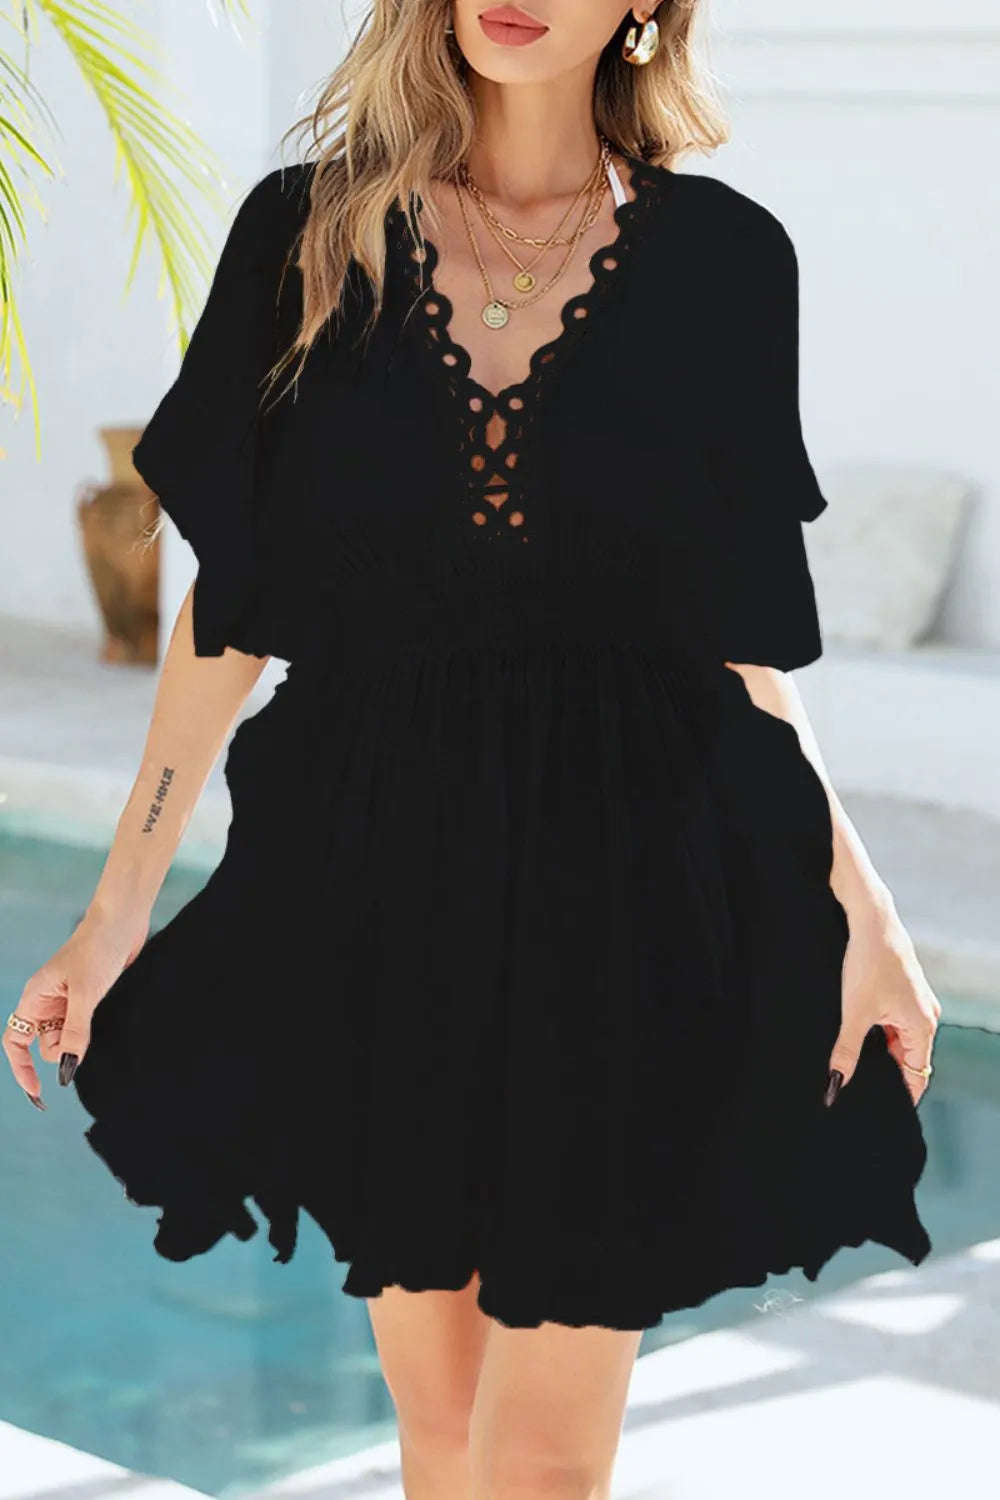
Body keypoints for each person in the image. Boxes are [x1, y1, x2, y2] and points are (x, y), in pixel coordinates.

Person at [6, 3, 939, 1496]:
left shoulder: (725, 260)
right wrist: (115, 910)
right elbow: (232, 614)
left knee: (542, 1462)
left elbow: (737, 636)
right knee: (440, 1430)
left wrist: (865, 905)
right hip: (374, 874)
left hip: (631, 882)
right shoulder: (306, 236)